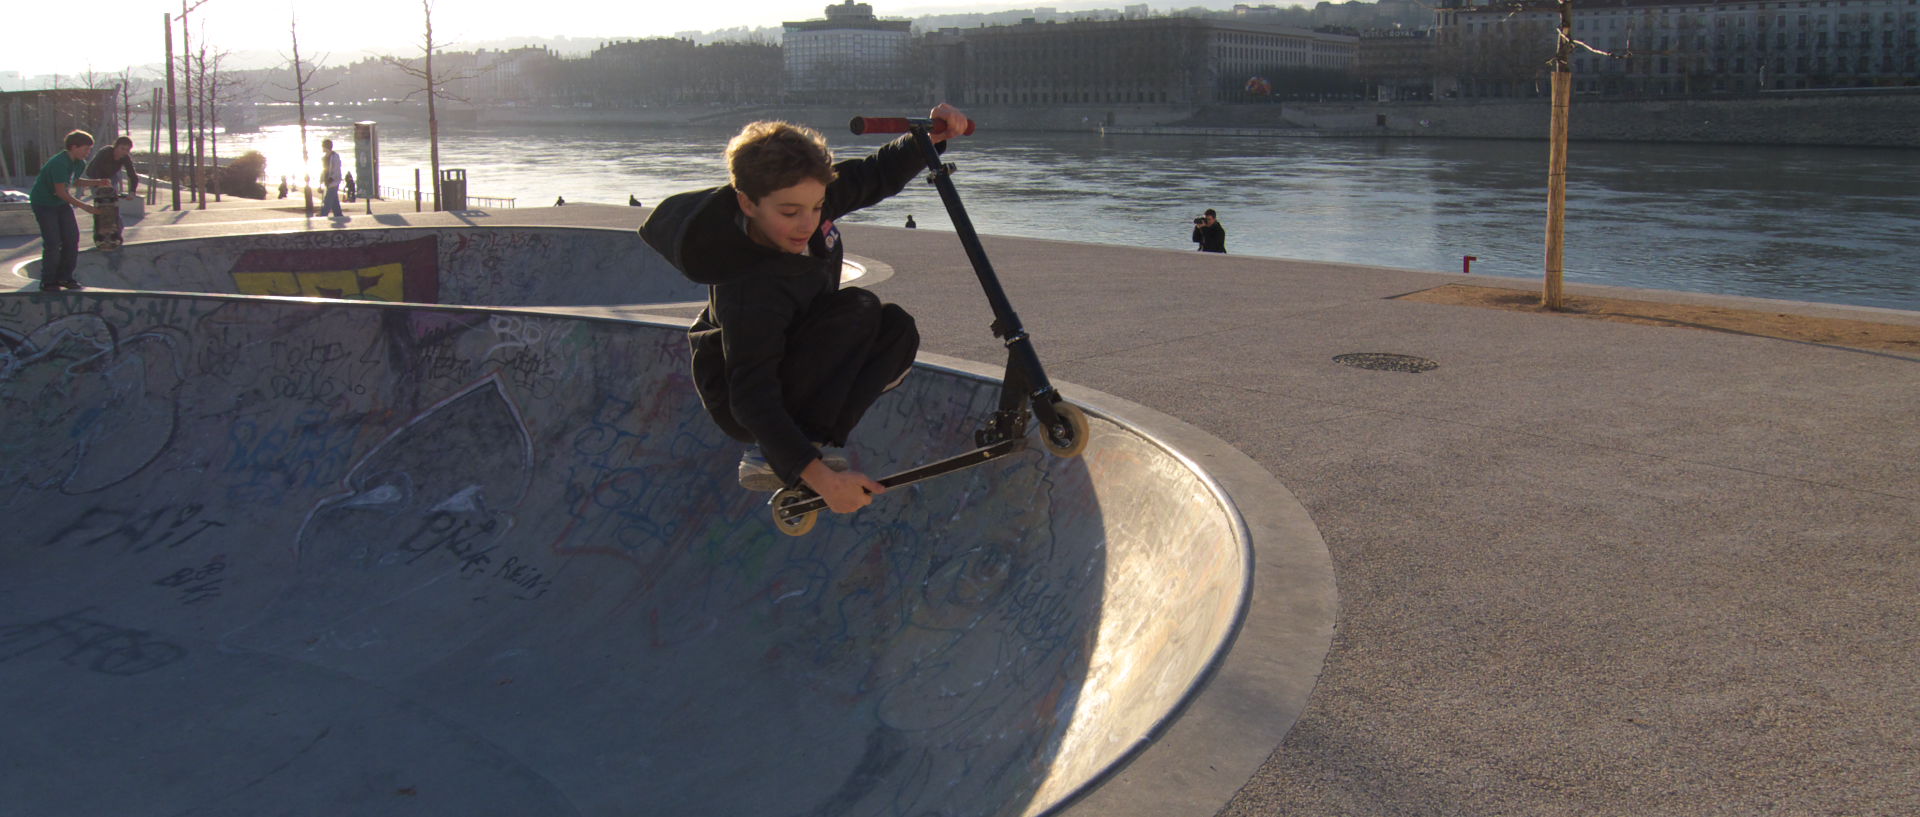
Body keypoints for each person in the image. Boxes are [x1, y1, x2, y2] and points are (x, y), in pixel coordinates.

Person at [639, 104, 972, 515]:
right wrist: (824, 482)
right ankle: (776, 454)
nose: (807, 224)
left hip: (797, 352)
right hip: (742, 398)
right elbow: (750, 396)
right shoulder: (748, 287)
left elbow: (874, 176)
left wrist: (928, 139)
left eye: (817, 207)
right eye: (789, 213)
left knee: (896, 330)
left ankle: (808, 442)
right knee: (859, 306)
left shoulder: (808, 198)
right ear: (747, 204)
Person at [29, 130, 112, 292]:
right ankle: (48, 281)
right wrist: (85, 207)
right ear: (73, 147)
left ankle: (65, 277)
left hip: (60, 203)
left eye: (89, 149)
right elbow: (60, 191)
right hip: (44, 204)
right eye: (85, 149)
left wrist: (98, 182)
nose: (88, 153)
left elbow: (74, 181)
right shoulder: (59, 162)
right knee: (53, 242)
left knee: (71, 238)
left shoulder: (79, 163)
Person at [318, 139, 346, 219]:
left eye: (322, 146)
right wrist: (321, 182)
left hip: (334, 182)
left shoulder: (335, 157)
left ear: (326, 147)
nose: (322, 148)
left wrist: (331, 178)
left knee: (328, 200)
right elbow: (324, 170)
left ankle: (323, 214)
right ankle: (338, 214)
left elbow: (336, 169)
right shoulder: (324, 158)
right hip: (328, 181)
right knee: (334, 201)